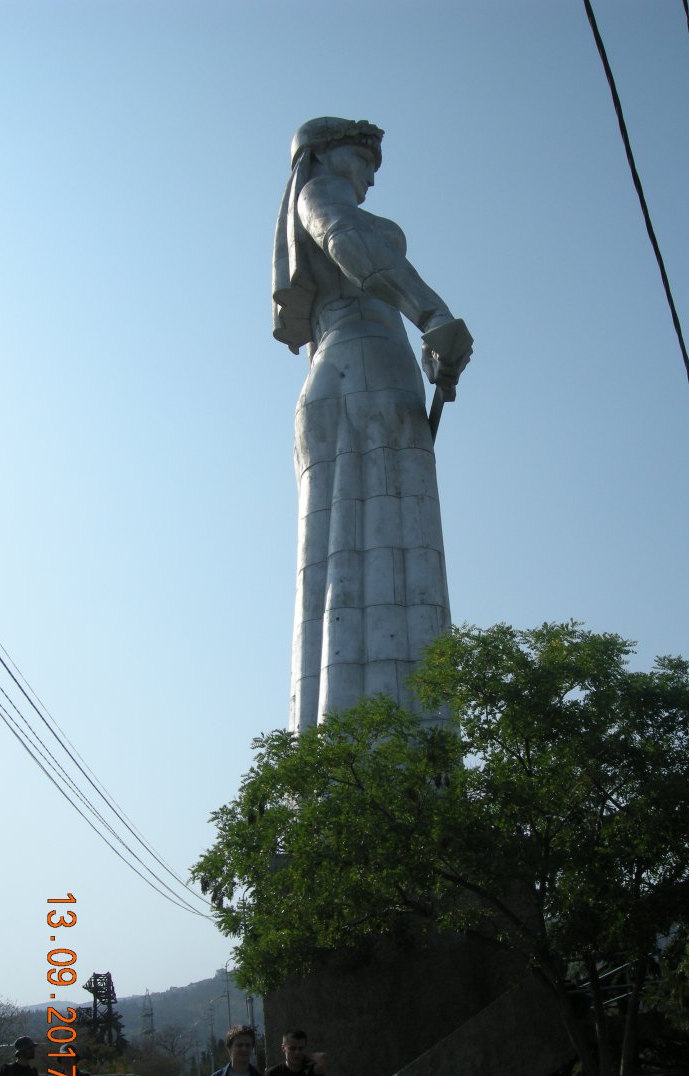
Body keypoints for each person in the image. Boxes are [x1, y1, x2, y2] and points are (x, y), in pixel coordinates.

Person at [273, 116, 473, 733]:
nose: (370, 179)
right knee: (372, 561)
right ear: (323, 154)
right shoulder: (319, 195)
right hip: (363, 373)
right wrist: (431, 314)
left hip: (353, 375)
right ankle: (383, 764)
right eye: (364, 160)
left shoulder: (325, 200)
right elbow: (350, 243)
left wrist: (433, 358)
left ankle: (358, 763)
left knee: (373, 562)